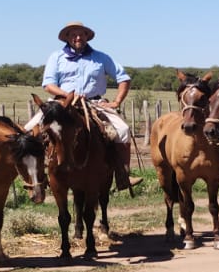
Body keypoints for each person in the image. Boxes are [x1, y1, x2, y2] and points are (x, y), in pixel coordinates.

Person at [33, 21, 142, 192]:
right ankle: (37, 178)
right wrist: (68, 95)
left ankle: (123, 174)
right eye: (73, 34)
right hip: (62, 103)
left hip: (94, 102)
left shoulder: (101, 57)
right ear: (67, 38)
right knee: (31, 130)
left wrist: (116, 102)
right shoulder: (56, 57)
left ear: (86, 36)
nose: (78, 37)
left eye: (81, 34)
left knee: (122, 130)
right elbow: (48, 84)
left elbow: (123, 78)